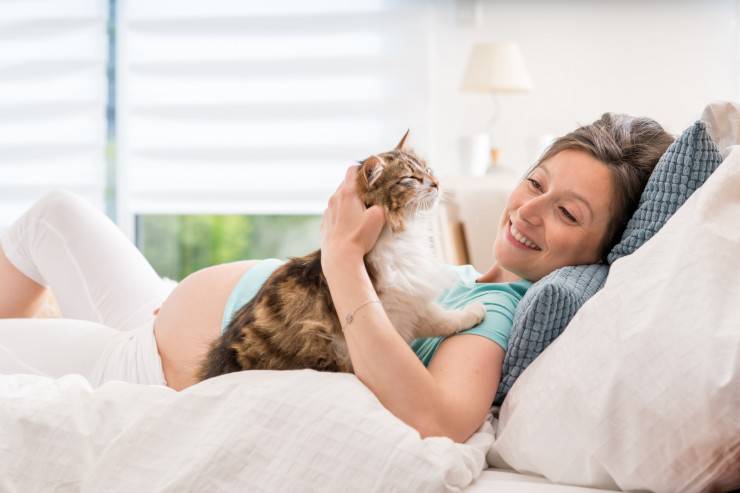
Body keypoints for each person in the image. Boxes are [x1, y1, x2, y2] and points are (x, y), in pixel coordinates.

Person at [0, 113, 673, 443]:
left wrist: (342, 258)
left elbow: (440, 417)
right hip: (158, 311)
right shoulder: (468, 269)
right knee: (50, 215)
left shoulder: (498, 310)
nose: (527, 208)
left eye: (566, 212)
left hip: (154, 364)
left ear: (597, 250)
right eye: (535, 181)